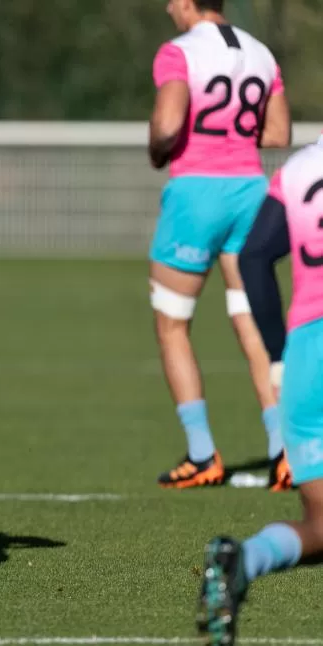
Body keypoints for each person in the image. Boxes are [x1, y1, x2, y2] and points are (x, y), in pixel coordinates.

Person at [147, 0, 292, 490]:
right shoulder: (261, 53)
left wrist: (158, 148)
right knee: (252, 321)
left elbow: (168, 124)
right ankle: (284, 450)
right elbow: (277, 133)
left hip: (196, 196)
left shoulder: (179, 52)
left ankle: (202, 453)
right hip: (250, 192)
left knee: (171, 325)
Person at [194, 139, 323, 644]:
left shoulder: (300, 167)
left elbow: (254, 257)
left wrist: (278, 356)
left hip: (307, 356)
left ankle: (245, 559)